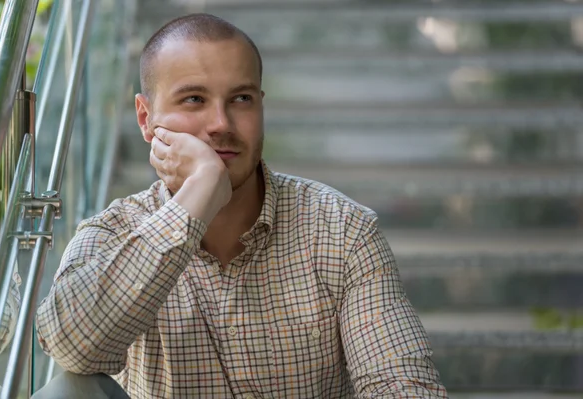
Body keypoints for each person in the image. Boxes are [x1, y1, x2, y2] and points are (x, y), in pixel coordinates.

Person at [34, 13, 448, 399]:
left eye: (241, 99)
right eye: (194, 99)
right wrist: (198, 197)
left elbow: (403, 385)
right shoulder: (113, 234)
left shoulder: (342, 230)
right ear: (146, 119)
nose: (221, 123)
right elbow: (73, 350)